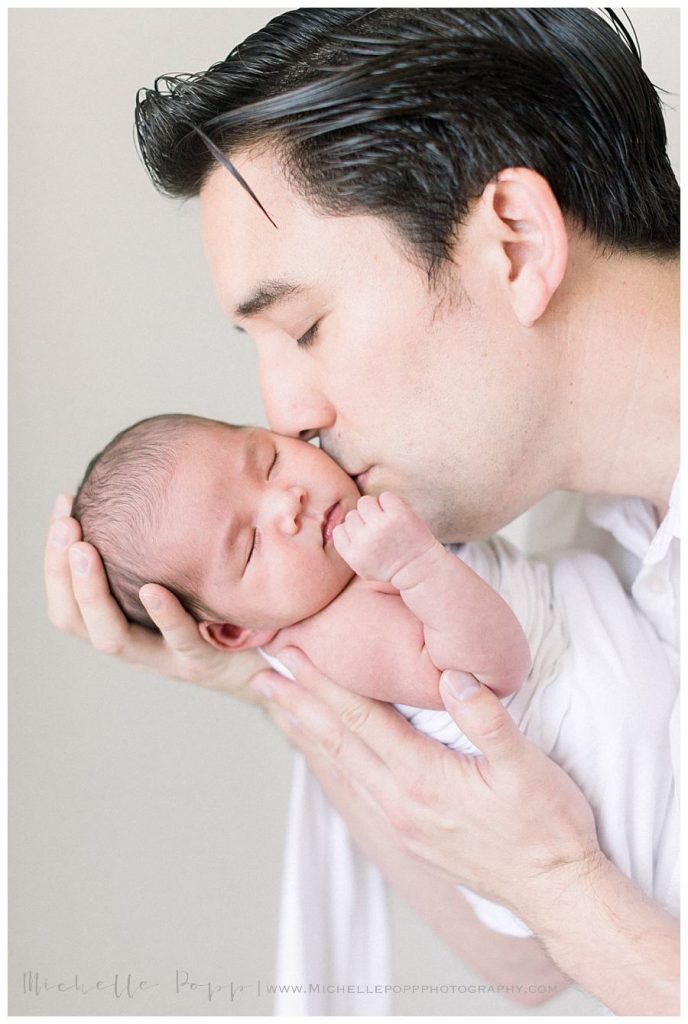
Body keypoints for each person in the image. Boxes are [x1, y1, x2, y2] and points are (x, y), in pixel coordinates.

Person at [45, 8, 679, 1013]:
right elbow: (533, 957)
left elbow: (566, 898)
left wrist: (561, 883)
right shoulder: (563, 538)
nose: (288, 412)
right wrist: (276, 669)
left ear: (512, 243)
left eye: (304, 327)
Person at [71, 411, 677, 948]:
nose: (287, 502)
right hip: (628, 795)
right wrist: (415, 563)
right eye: (250, 545)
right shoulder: (337, 634)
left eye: (270, 459)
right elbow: (493, 666)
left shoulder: (356, 531)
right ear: (235, 634)